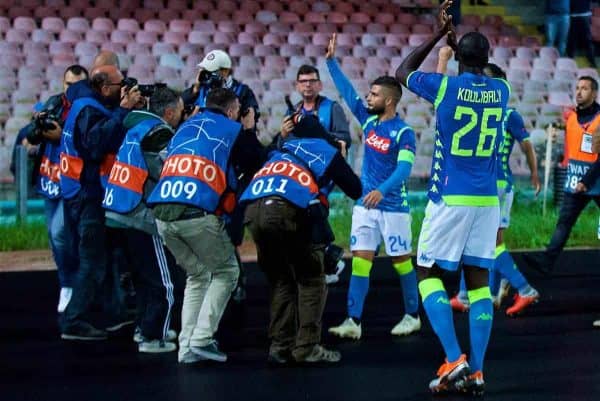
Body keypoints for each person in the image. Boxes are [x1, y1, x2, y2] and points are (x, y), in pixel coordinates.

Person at [396, 1, 511, 395]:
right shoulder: (502, 89)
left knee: (427, 272)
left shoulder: (444, 87)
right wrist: (456, 44)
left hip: (450, 198)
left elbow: (403, 73)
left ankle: (453, 357)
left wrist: (436, 38)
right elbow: (474, 76)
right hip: (487, 201)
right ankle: (476, 373)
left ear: (459, 58)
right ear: (488, 60)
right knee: (479, 284)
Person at [148, 88, 262, 364]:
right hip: (195, 212)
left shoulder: (185, 126)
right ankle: (201, 339)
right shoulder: (231, 128)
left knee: (197, 275)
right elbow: (258, 159)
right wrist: (247, 129)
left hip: (162, 214)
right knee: (226, 272)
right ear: (233, 111)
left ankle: (186, 347)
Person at [242, 114, 362, 364]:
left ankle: (279, 346)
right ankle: (307, 347)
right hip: (286, 210)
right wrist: (340, 156)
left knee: (281, 279)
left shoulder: (281, 150)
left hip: (254, 210)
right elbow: (355, 189)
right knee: (311, 279)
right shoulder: (324, 149)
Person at [325, 33, 421, 340]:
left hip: (393, 208)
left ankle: (413, 315)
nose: (369, 97)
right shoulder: (368, 121)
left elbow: (405, 168)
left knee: (402, 263)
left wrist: (383, 189)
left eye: (375, 94)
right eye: (370, 93)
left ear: (389, 100)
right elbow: (349, 94)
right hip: (366, 206)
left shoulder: (404, 132)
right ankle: (353, 321)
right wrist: (331, 63)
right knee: (361, 263)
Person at [439, 59, 542, 316]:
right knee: (479, 242)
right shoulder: (485, 109)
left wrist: (534, 174)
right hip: (483, 184)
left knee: (486, 243)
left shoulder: (507, 114)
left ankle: (523, 288)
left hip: (494, 185)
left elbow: (527, 145)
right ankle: (485, 292)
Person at [59, 65, 142, 340]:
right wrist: (124, 110)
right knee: (92, 262)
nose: (123, 90)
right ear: (105, 88)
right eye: (120, 86)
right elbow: (96, 145)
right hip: (87, 196)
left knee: (106, 256)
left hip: (82, 193)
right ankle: (73, 320)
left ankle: (116, 312)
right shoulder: (88, 110)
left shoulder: (83, 104)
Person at [103, 87, 184, 353]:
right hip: (139, 214)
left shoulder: (137, 127)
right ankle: (153, 336)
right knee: (165, 281)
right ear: (169, 112)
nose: (182, 116)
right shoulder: (158, 133)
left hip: (117, 210)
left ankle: (144, 328)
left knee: (142, 278)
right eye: (181, 112)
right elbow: (167, 171)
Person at [182, 48, 261, 301]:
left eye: (212, 72)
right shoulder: (201, 91)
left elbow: (250, 120)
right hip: (207, 163)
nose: (207, 76)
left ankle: (233, 278)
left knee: (230, 227)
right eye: (204, 72)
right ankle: (219, 277)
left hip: (232, 163)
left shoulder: (243, 92)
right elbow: (183, 110)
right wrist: (194, 90)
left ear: (226, 72)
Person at [21, 65, 88, 313]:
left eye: (77, 85)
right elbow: (30, 134)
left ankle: (73, 284)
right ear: (63, 84)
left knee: (63, 234)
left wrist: (62, 136)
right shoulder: (53, 103)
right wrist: (39, 128)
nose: (72, 89)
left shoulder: (89, 108)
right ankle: (67, 284)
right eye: (68, 84)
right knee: (54, 235)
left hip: (76, 184)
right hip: (51, 179)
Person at [524, 76, 600, 274]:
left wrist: (587, 180)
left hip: (595, 179)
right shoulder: (572, 118)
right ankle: (546, 262)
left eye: (584, 88)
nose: (578, 92)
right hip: (575, 179)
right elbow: (572, 147)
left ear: (594, 93)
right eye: (577, 87)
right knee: (564, 221)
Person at [283, 64, 351, 148]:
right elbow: (283, 144)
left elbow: (346, 139)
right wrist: (283, 135)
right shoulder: (291, 112)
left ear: (320, 85)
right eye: (303, 81)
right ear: (297, 86)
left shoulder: (333, 108)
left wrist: (317, 134)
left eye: (312, 81)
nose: (308, 84)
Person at [567, 0, 596, 68]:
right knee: (573, 40)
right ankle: (570, 63)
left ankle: (592, 62)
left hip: (584, 15)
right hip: (574, 16)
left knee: (587, 41)